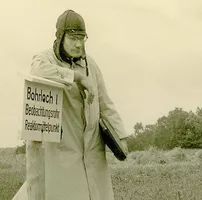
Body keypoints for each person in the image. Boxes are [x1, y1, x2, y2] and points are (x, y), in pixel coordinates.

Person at [28, 9, 128, 200]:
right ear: (60, 36)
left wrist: (121, 136)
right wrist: (75, 76)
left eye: (82, 38)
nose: (78, 44)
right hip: (63, 151)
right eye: (73, 38)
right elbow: (35, 71)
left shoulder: (91, 64)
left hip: (92, 149)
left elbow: (105, 102)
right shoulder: (46, 58)